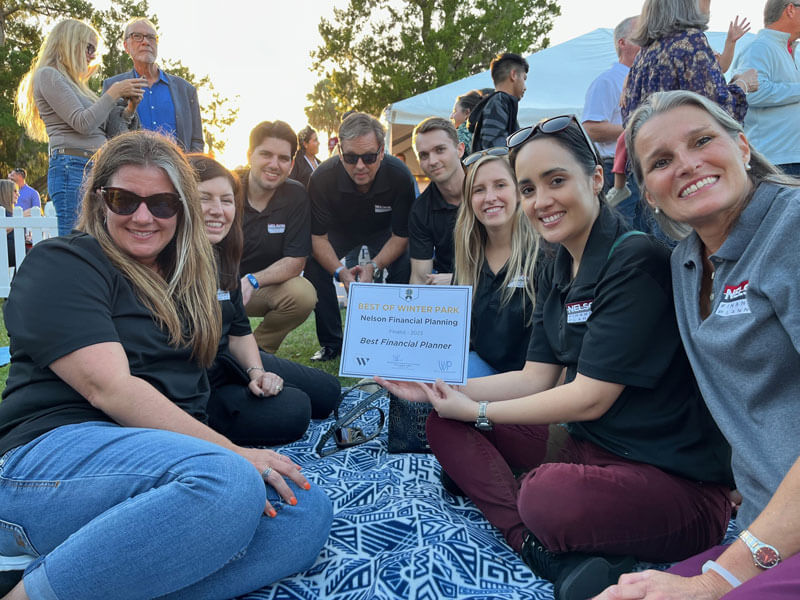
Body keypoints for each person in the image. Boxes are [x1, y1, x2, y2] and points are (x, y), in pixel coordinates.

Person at [377, 115, 733, 600]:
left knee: (544, 495)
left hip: (677, 483)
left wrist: (479, 411)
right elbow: (535, 377)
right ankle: (532, 546)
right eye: (528, 188)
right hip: (591, 449)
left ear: (597, 178)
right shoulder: (557, 262)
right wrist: (437, 390)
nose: (541, 201)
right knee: (442, 422)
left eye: (556, 180)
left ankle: (526, 511)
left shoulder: (635, 260)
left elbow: (589, 399)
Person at [0, 131, 332, 600]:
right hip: (47, 460)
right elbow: (111, 389)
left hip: (152, 460)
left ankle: (85, 573)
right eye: (123, 199)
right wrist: (235, 453)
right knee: (230, 481)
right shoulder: (67, 262)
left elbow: (228, 348)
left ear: (181, 210)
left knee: (305, 513)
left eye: (162, 203)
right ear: (99, 203)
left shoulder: (186, 279)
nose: (143, 216)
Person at [596, 88, 800, 600]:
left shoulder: (791, 227)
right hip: (767, 526)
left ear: (743, 146)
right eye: (662, 161)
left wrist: (717, 580)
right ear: (649, 194)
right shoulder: (685, 264)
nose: (687, 165)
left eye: (702, 140)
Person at [188, 153, 339, 446]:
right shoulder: (167, 261)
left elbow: (239, 330)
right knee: (295, 410)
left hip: (229, 359)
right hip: (198, 383)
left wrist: (257, 372)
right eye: (205, 198)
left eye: (227, 200)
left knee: (329, 391)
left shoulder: (221, 256)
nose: (218, 210)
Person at [617, 0, 758, 234]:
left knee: (672, 251)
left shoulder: (643, 57)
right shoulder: (690, 41)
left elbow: (631, 121)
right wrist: (742, 85)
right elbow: (716, 111)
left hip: (656, 174)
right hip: (694, 171)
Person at [15, 18, 145, 235]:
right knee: (77, 245)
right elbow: (83, 123)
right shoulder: (48, 75)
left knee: (99, 243)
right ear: (70, 43)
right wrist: (113, 92)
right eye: (89, 47)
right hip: (72, 168)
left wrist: (130, 109)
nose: (92, 55)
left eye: (94, 50)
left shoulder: (80, 89)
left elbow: (112, 135)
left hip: (96, 168)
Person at [304, 112, 414, 362]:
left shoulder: (400, 176)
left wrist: (373, 266)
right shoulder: (321, 178)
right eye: (351, 158)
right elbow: (318, 238)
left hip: (384, 231)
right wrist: (341, 273)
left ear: (382, 151)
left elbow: (401, 235)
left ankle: (397, 336)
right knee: (314, 265)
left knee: (405, 262)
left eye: (369, 157)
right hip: (341, 231)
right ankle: (332, 344)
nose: (360, 166)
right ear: (340, 151)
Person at [454, 149, 539, 378]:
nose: (490, 197)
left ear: (519, 192)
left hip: (534, 383)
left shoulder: (542, 256)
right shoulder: (468, 260)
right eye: (478, 190)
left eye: (500, 185)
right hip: (482, 371)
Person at [236, 121, 317, 354]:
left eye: (283, 158)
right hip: (214, 286)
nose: (274, 164)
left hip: (259, 287)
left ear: (292, 164)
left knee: (302, 294)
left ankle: (258, 351)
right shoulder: (227, 188)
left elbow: (296, 261)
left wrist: (252, 280)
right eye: (266, 154)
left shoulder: (296, 196)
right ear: (250, 155)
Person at [103, 17, 204, 153]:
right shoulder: (113, 86)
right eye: (137, 36)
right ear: (126, 46)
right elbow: (108, 135)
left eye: (151, 37)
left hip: (177, 170)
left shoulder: (185, 90)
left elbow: (196, 141)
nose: (145, 42)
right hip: (133, 168)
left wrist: (189, 168)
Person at [731, 0, 800, 175]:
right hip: (776, 161)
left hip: (789, 157)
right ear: (790, 10)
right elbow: (751, 93)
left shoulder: (786, 49)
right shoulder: (759, 47)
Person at [581, 16, 640, 191]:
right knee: (624, 219)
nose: (648, 40)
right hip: (617, 169)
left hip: (644, 167)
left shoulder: (648, 78)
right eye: (641, 35)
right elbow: (592, 129)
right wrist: (637, 129)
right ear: (623, 43)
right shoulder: (607, 81)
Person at [409, 117, 465, 285]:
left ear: (460, 150)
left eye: (440, 150)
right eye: (424, 155)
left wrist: (458, 281)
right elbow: (420, 277)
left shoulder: (487, 190)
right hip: (452, 295)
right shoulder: (420, 211)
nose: (432, 161)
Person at [468, 53, 529, 153]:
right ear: (513, 75)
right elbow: (495, 149)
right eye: (524, 78)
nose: (525, 87)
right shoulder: (499, 101)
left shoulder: (499, 102)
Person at [0, 179, 19, 265]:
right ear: (5, 192)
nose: (18, 194)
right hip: (6, 250)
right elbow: (3, 230)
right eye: (14, 191)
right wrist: (19, 220)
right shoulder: (2, 211)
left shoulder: (10, 212)